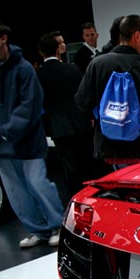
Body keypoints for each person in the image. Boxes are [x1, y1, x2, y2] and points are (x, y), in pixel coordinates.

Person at [0, 18, 64, 248]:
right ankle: (37, 230)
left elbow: (31, 107)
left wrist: (4, 131)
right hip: (0, 145)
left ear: (4, 38)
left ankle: (58, 225)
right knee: (17, 192)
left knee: (38, 184)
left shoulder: (23, 68)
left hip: (27, 142)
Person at [75, 14, 140, 168]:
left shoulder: (97, 64)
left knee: (119, 181)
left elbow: (82, 101)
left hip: (110, 146)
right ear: (137, 36)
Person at [36, 32, 102, 203]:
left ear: (41, 52)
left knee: (69, 167)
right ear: (57, 49)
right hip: (81, 123)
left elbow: (39, 101)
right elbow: (85, 94)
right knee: (88, 162)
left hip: (58, 127)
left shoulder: (39, 74)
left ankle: (77, 200)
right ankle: (94, 197)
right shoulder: (72, 69)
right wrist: (89, 115)